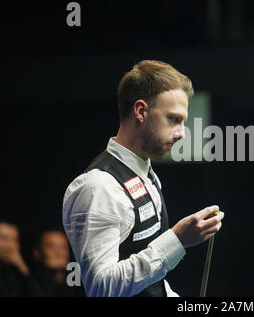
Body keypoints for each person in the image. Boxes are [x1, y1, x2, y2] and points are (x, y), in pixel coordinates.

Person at [62, 60, 225, 297]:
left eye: (183, 122)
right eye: (173, 119)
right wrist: (177, 240)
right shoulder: (98, 186)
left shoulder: (146, 172)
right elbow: (101, 289)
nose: (181, 133)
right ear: (140, 111)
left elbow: (151, 284)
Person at [31, 230, 84, 296]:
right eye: (51, 247)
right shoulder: (29, 282)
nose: (58, 252)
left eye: (63, 247)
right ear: (37, 252)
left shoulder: (80, 281)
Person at [0, 220, 41, 296]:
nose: (10, 245)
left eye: (15, 240)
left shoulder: (16, 271)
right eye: (4, 238)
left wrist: (21, 266)